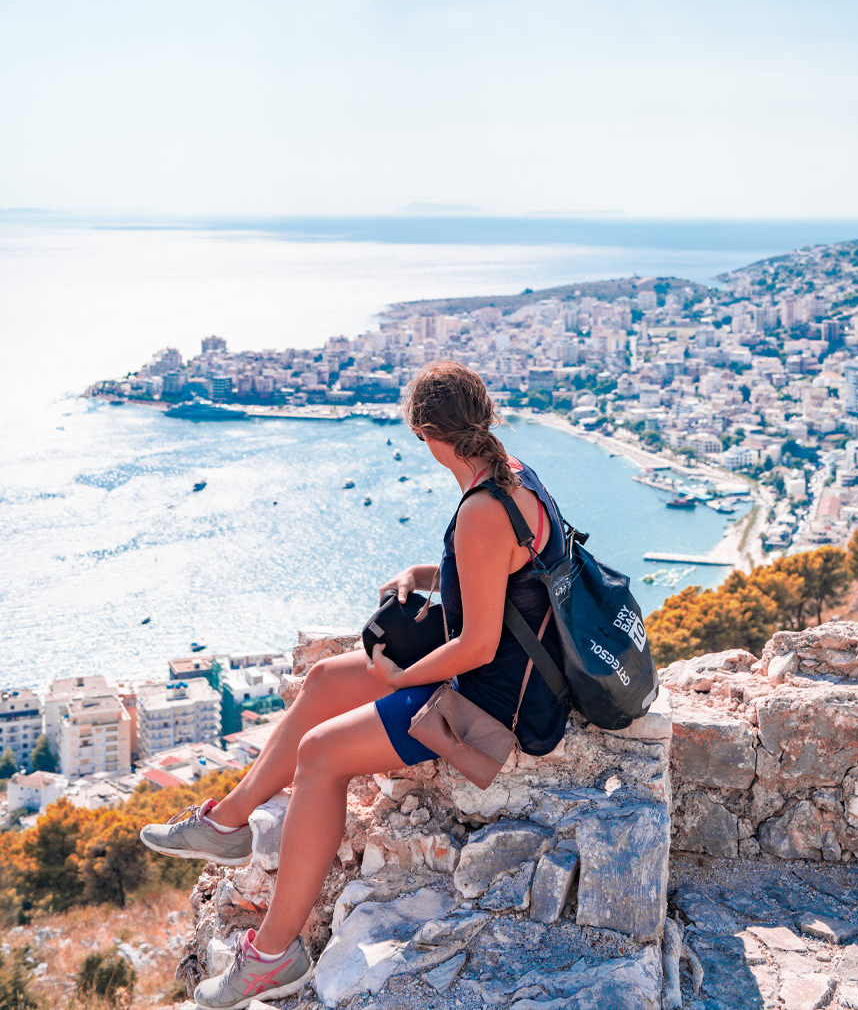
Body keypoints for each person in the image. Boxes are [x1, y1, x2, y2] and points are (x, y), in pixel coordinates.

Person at [141, 361, 570, 1010]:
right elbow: (508, 567)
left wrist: (401, 676)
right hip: (500, 665)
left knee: (320, 755)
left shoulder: (483, 507)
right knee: (322, 679)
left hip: (485, 698)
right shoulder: (510, 471)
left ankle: (273, 954)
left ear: (427, 434)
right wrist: (424, 572)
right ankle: (227, 823)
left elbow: (478, 644)